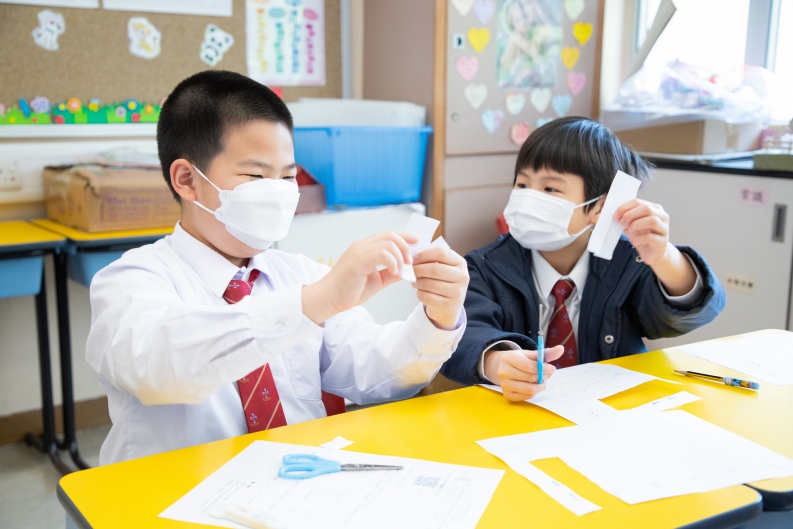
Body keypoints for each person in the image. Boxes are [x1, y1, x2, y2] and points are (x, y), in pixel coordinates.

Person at [86, 70, 469, 464]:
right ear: (187, 179)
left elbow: (375, 373)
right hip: (179, 492)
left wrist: (437, 318)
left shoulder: (300, 274)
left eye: (288, 176)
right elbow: (163, 369)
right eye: (256, 176)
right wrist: (314, 303)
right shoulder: (130, 282)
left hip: (296, 480)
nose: (279, 192)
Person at [439, 117, 725, 401]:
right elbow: (456, 335)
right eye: (522, 185)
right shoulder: (485, 266)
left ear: (600, 207)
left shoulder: (628, 261)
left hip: (610, 411)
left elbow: (690, 315)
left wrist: (664, 258)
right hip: (518, 411)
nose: (528, 199)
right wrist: (495, 361)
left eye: (550, 189)